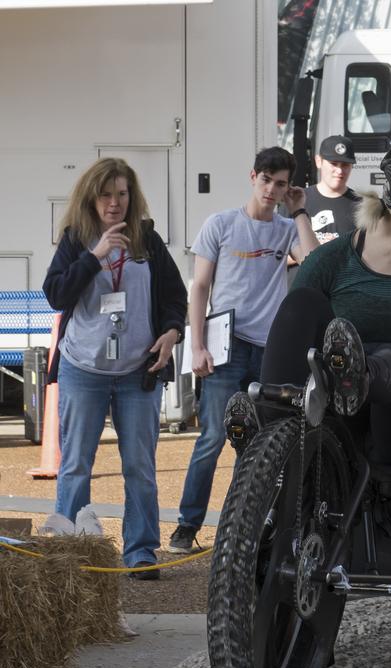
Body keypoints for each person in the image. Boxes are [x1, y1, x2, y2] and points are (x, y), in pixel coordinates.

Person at [231, 136, 391, 488]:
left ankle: (363, 375)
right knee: (300, 303)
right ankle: (268, 425)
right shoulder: (331, 261)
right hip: (346, 422)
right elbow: (293, 335)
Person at [167, 147, 318, 553]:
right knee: (213, 438)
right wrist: (197, 345)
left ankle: (240, 530)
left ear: (288, 188)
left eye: (280, 184)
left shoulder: (285, 229)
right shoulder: (221, 224)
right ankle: (186, 525)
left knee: (256, 445)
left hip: (269, 349)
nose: (271, 190)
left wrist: (300, 212)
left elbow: (314, 262)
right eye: (266, 180)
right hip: (226, 347)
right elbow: (200, 287)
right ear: (253, 177)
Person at [41, 157, 187, 578]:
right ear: (91, 198)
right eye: (106, 195)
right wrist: (94, 256)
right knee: (76, 464)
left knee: (139, 466)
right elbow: (56, 294)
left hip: (137, 370)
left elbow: (175, 296)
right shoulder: (76, 238)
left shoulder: (147, 239)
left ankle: (140, 551)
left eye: (122, 194)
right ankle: (72, 551)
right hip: (83, 368)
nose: (114, 203)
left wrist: (172, 331)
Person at [305, 135, 361, 244]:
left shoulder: (362, 206)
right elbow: (280, 250)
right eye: (333, 164)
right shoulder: (298, 201)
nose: (339, 171)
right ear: (318, 161)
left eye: (345, 165)